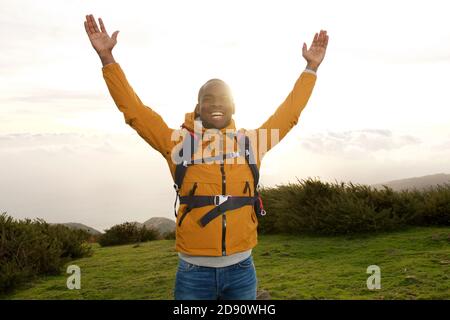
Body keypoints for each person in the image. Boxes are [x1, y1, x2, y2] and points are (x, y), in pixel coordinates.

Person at [84, 14, 328, 300]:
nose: (215, 104)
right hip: (193, 273)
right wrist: (107, 59)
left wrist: (311, 68)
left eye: (222, 98)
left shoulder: (251, 143)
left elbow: (289, 114)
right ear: (197, 108)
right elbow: (135, 112)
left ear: (233, 106)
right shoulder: (177, 142)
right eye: (207, 99)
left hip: (242, 269)